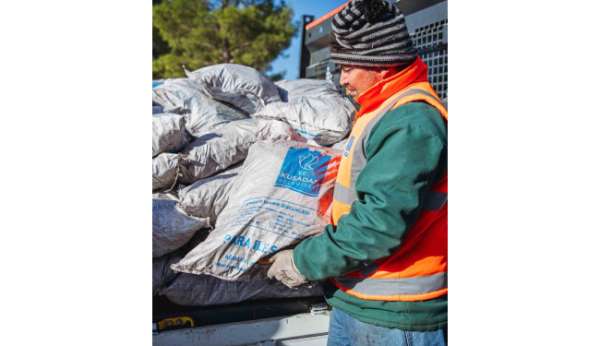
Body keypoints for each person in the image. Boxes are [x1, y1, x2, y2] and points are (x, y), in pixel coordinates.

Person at [267, 0, 448, 345]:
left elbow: (377, 227)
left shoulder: (411, 121)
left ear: (381, 66)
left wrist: (302, 262)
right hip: (361, 299)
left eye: (349, 67)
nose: (342, 79)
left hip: (397, 316)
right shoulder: (378, 111)